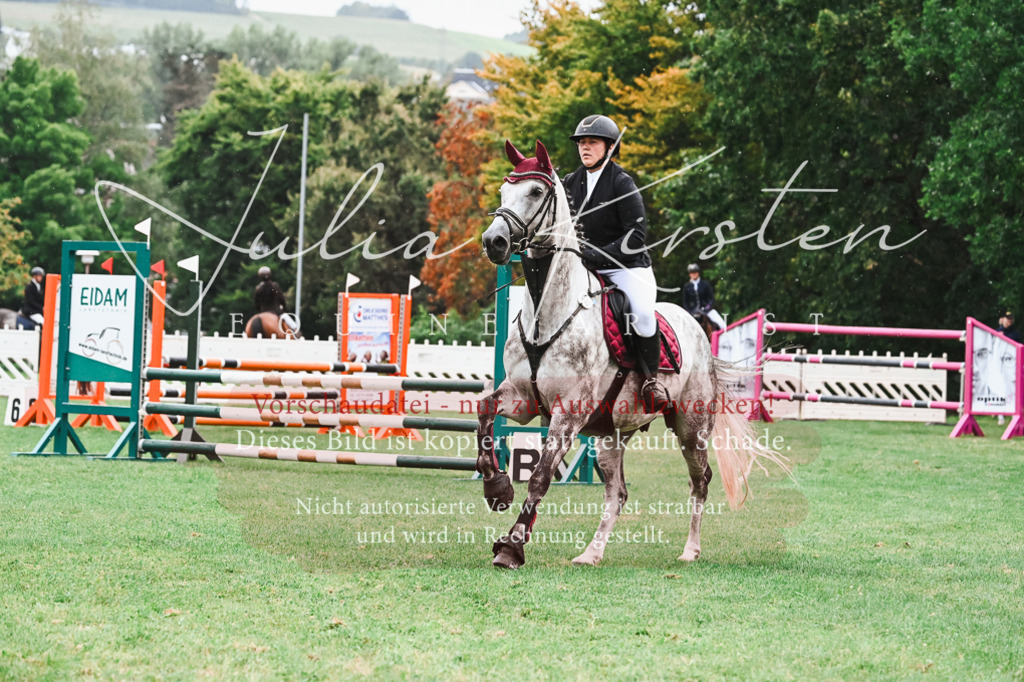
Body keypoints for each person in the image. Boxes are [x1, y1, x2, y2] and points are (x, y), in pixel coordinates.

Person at [562, 114, 668, 413]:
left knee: (644, 315)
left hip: (627, 269)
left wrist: (595, 254)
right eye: (581, 143)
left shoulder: (622, 182)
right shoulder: (571, 182)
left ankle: (651, 382)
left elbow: (637, 235)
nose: (584, 148)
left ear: (609, 148)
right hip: (585, 268)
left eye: (592, 142)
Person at [682, 263, 727, 330]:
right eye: (691, 273)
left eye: (695, 272)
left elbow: (711, 299)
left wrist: (707, 308)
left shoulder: (705, 284)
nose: (693, 274)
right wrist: (689, 311)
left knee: (722, 325)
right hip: (693, 312)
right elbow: (685, 302)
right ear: (689, 274)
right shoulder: (687, 286)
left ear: (698, 273)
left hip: (706, 310)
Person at [16, 267, 46, 331]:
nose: (41, 278)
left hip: (36, 310)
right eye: (40, 276)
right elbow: (31, 301)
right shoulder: (30, 286)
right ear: (35, 276)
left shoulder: (38, 286)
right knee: (43, 321)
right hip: (31, 311)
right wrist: (41, 307)